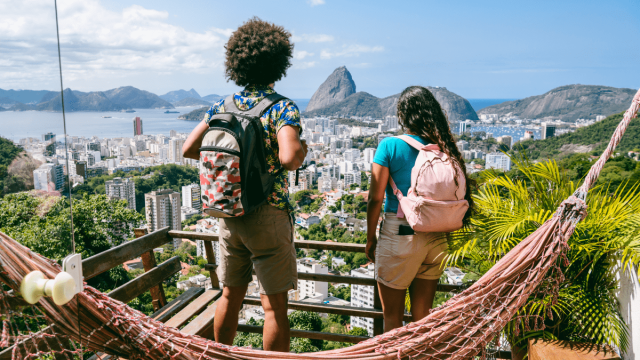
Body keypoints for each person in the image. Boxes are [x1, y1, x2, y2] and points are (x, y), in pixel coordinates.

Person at [182, 18, 307, 352]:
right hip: (267, 213)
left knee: (230, 295)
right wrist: (301, 150)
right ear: (278, 63)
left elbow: (188, 149)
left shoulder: (221, 106)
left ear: (235, 63)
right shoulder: (281, 107)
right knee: (274, 308)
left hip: (228, 212)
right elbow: (290, 157)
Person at [365, 86, 475, 332]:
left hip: (402, 232)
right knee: (422, 319)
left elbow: (375, 199)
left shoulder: (390, 146)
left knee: (392, 318)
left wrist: (370, 238)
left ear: (402, 115)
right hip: (436, 237)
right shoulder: (443, 147)